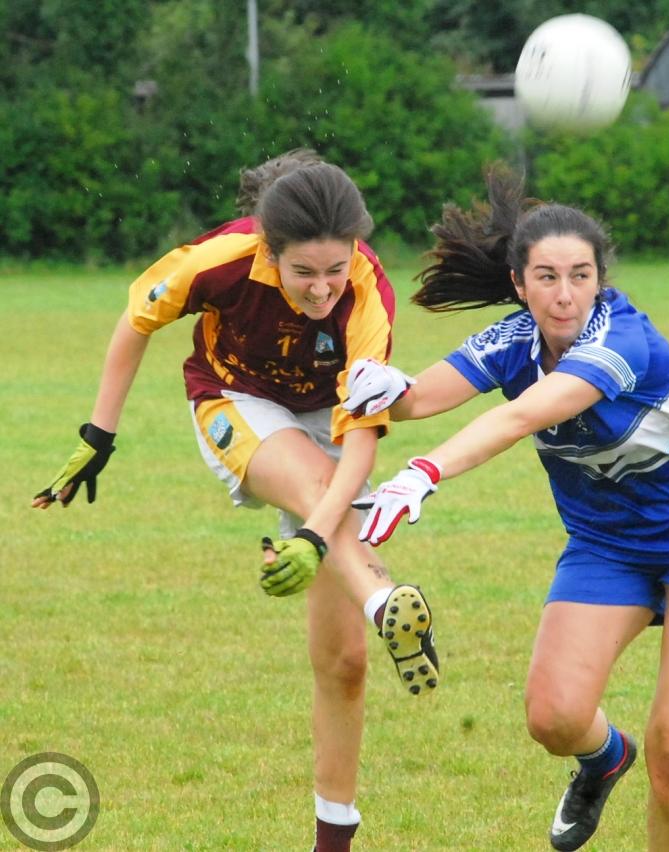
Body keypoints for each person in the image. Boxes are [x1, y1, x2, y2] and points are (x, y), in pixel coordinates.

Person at [343, 167, 669, 851]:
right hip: (609, 546)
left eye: (579, 275)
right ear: (518, 283)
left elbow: (521, 417)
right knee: (552, 717)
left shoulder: (622, 342)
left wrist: (424, 470)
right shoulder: (513, 339)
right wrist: (386, 385)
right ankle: (604, 758)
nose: (564, 294)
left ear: (599, 278)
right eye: (546, 277)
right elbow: (422, 397)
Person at [31, 149, 438, 852]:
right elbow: (136, 322)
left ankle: (331, 842)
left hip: (329, 416)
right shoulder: (217, 260)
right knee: (317, 491)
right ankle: (384, 600)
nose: (321, 290)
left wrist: (313, 539)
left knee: (345, 664)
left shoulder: (367, 291)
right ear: (268, 249)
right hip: (235, 399)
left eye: (334, 270)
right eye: (302, 272)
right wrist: (100, 432)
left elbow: (365, 437)